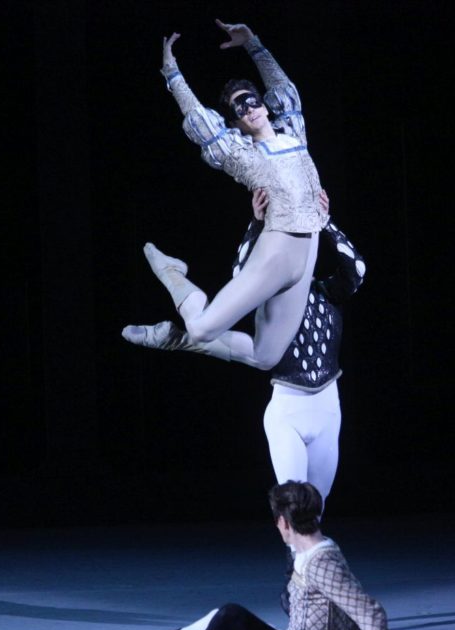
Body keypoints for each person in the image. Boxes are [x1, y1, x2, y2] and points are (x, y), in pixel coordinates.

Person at [124, 188, 366, 507]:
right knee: (294, 504)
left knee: (315, 508)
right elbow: (242, 275)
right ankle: (177, 310)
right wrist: (256, 223)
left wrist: (326, 222)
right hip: (288, 410)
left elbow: (357, 269)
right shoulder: (273, 298)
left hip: (327, 408)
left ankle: (178, 328)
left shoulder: (328, 293)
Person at [66, 481, 401, 630]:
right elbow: (352, 608)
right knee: (218, 621)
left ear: (282, 522)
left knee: (230, 615)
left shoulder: (321, 560)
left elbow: (368, 611)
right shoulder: (315, 551)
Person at [139, 19, 329, 372]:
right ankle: (173, 274)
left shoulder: (294, 134)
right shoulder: (243, 154)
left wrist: (253, 44)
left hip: (309, 248)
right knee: (202, 326)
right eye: (239, 110)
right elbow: (200, 122)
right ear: (237, 124)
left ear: (264, 105)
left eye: (251, 101)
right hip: (279, 249)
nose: (248, 109)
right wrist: (172, 74)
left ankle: (174, 338)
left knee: (265, 356)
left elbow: (283, 88)